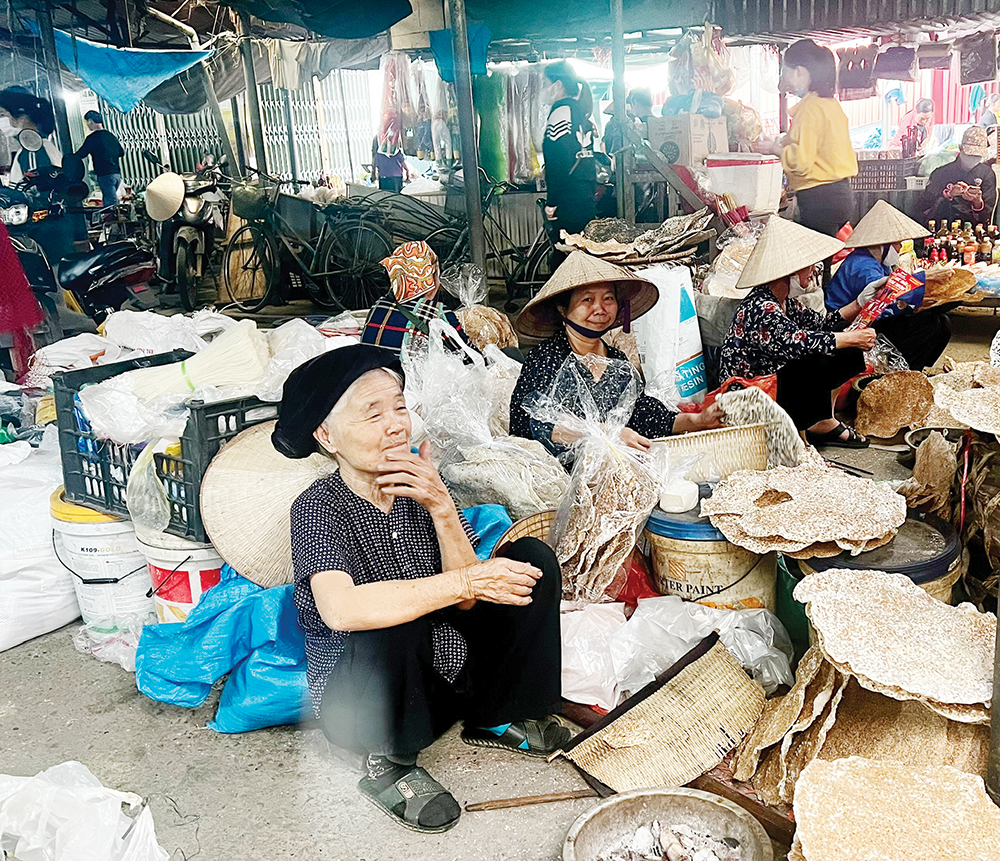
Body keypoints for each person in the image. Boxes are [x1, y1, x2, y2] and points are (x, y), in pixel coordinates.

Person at [275, 344, 568, 834]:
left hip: (440, 681)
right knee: (388, 605)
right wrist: (462, 580)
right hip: (371, 703)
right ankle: (387, 764)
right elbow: (341, 610)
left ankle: (496, 715)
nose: (396, 424)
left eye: (398, 406)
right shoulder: (318, 508)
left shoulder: (420, 484)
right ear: (327, 435)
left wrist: (441, 507)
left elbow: (471, 599)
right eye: (373, 414)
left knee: (530, 562)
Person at [510, 251, 723, 461]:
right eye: (587, 299)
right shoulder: (546, 358)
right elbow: (534, 423)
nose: (599, 308)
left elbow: (643, 415)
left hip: (610, 471)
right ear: (563, 309)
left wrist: (696, 420)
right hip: (553, 477)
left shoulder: (616, 360)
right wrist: (609, 433)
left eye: (608, 298)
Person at [718, 216, 877, 448]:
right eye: (808, 267)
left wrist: (859, 304)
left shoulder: (786, 302)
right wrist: (850, 338)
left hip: (774, 381)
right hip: (751, 390)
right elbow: (796, 343)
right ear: (789, 272)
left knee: (845, 351)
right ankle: (804, 430)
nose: (812, 273)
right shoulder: (762, 306)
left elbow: (823, 324)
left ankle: (825, 420)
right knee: (810, 362)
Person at [827, 200, 950, 371]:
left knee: (941, 322)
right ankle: (903, 372)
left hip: (870, 320)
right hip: (848, 324)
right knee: (930, 325)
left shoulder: (877, 262)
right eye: (897, 243)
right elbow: (883, 302)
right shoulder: (863, 266)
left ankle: (912, 369)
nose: (900, 248)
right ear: (883, 244)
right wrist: (922, 280)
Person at [758, 40, 858, 238]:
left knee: (815, 262)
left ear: (799, 72)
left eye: (785, 69)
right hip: (840, 195)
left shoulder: (810, 108)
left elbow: (801, 161)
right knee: (825, 259)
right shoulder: (828, 104)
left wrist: (775, 150)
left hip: (820, 198)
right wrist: (784, 142)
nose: (783, 76)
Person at [361, 240, 472, 357]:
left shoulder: (378, 306)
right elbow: (469, 356)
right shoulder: (437, 312)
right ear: (430, 280)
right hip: (404, 375)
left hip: (368, 373)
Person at [542, 61, 597, 246]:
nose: (542, 90)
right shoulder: (580, 111)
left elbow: (558, 162)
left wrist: (552, 202)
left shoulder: (560, 112)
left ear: (557, 85)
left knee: (564, 256)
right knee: (581, 254)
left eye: (544, 84)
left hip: (568, 198)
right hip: (584, 195)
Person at [919, 126, 997, 228]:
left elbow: (986, 216)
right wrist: (947, 194)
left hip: (973, 232)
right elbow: (923, 206)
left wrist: (977, 202)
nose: (973, 159)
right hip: (942, 228)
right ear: (960, 148)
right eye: (970, 154)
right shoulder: (941, 173)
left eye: (977, 156)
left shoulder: (987, 174)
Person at [0, 89, 61, 185]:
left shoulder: (33, 150)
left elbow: (37, 192)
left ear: (23, 117)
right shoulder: (43, 145)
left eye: (2, 114)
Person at [75, 111, 124, 206]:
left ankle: (112, 219)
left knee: (110, 202)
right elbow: (121, 152)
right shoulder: (111, 136)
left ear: (90, 121)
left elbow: (81, 154)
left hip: (105, 175)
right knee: (110, 198)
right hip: (117, 174)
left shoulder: (92, 138)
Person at [602, 88, 654, 156]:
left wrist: (623, 97)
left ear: (635, 102)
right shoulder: (659, 123)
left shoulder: (635, 126)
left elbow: (607, 110)